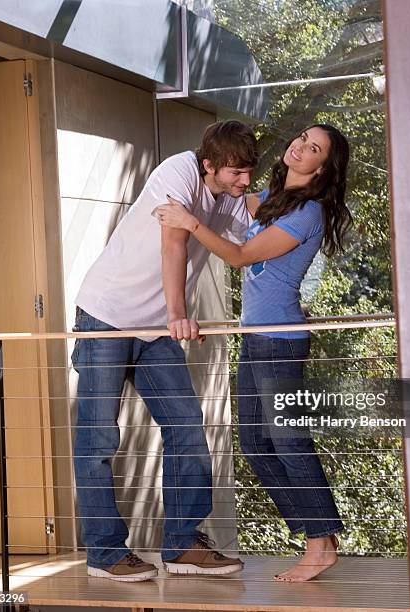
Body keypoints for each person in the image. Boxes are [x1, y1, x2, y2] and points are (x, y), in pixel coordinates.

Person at [155, 123, 352, 582]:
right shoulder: (276, 197)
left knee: (287, 442)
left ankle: (319, 543)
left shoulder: (308, 213)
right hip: (257, 337)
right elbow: (232, 193)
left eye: (314, 148)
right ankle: (317, 533)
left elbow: (241, 255)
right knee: (257, 446)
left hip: (281, 341)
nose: (301, 146)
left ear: (323, 168)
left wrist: (191, 223)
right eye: (302, 138)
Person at [71, 121, 258, 581]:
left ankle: (181, 545)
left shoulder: (230, 194)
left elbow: (251, 238)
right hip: (108, 315)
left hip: (154, 330)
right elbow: (173, 243)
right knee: (97, 440)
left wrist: (275, 202)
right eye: (236, 172)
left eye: (249, 172)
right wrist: (178, 314)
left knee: (187, 428)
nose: (244, 181)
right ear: (208, 163)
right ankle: (105, 553)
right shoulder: (178, 172)